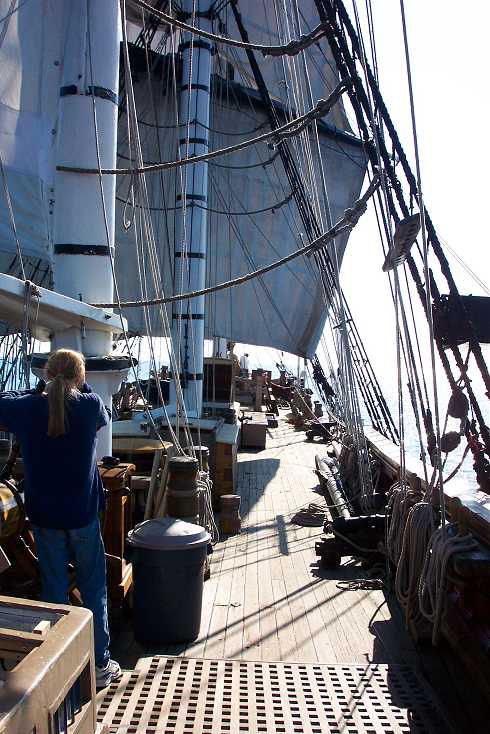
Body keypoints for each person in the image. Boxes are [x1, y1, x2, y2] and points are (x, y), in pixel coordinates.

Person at [0, 349, 120, 688]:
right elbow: (96, 409)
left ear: (47, 375)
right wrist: (67, 387)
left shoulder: (27, 408)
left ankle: (62, 665)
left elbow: (3, 400)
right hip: (82, 513)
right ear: (81, 377)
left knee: (54, 589)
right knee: (93, 587)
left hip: (44, 515)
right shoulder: (90, 405)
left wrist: (37, 391)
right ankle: (98, 665)